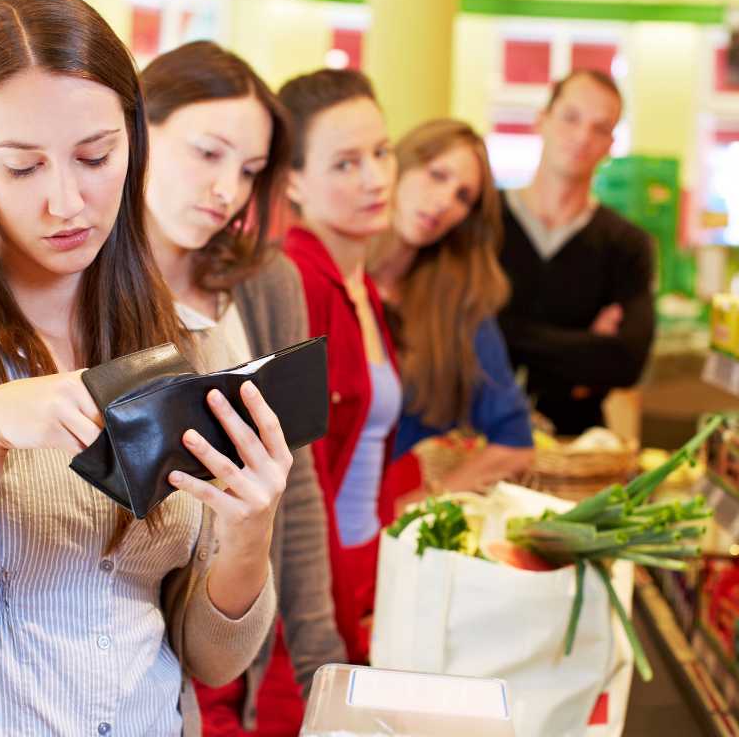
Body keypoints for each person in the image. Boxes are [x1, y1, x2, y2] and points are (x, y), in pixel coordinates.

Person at [0, 0, 287, 736]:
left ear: (133, 142)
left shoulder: (193, 344)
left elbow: (211, 657)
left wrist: (253, 528)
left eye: (96, 157)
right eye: (23, 167)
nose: (67, 202)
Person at [138, 40, 344, 737]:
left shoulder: (265, 282)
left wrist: (322, 664)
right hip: (124, 655)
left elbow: (300, 481)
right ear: (136, 129)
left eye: (250, 170)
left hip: (232, 633)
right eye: (207, 153)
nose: (227, 189)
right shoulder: (80, 287)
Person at [278, 69, 399, 664]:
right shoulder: (299, 281)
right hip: (324, 584)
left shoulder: (359, 282)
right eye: (345, 164)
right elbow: (300, 478)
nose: (375, 178)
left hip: (367, 564)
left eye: (381, 153)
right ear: (293, 180)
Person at [368, 119, 534, 520]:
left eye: (463, 196)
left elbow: (515, 443)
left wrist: (419, 504)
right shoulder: (331, 274)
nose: (444, 201)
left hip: (386, 528)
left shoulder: (458, 304)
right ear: (399, 165)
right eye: (437, 175)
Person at [497, 69, 655, 436]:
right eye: (571, 118)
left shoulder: (627, 244)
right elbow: (464, 335)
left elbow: (627, 362)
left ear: (611, 144)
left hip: (576, 446)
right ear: (542, 121)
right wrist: (586, 348)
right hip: (472, 439)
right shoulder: (484, 223)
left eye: (600, 128)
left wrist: (507, 335)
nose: (583, 137)